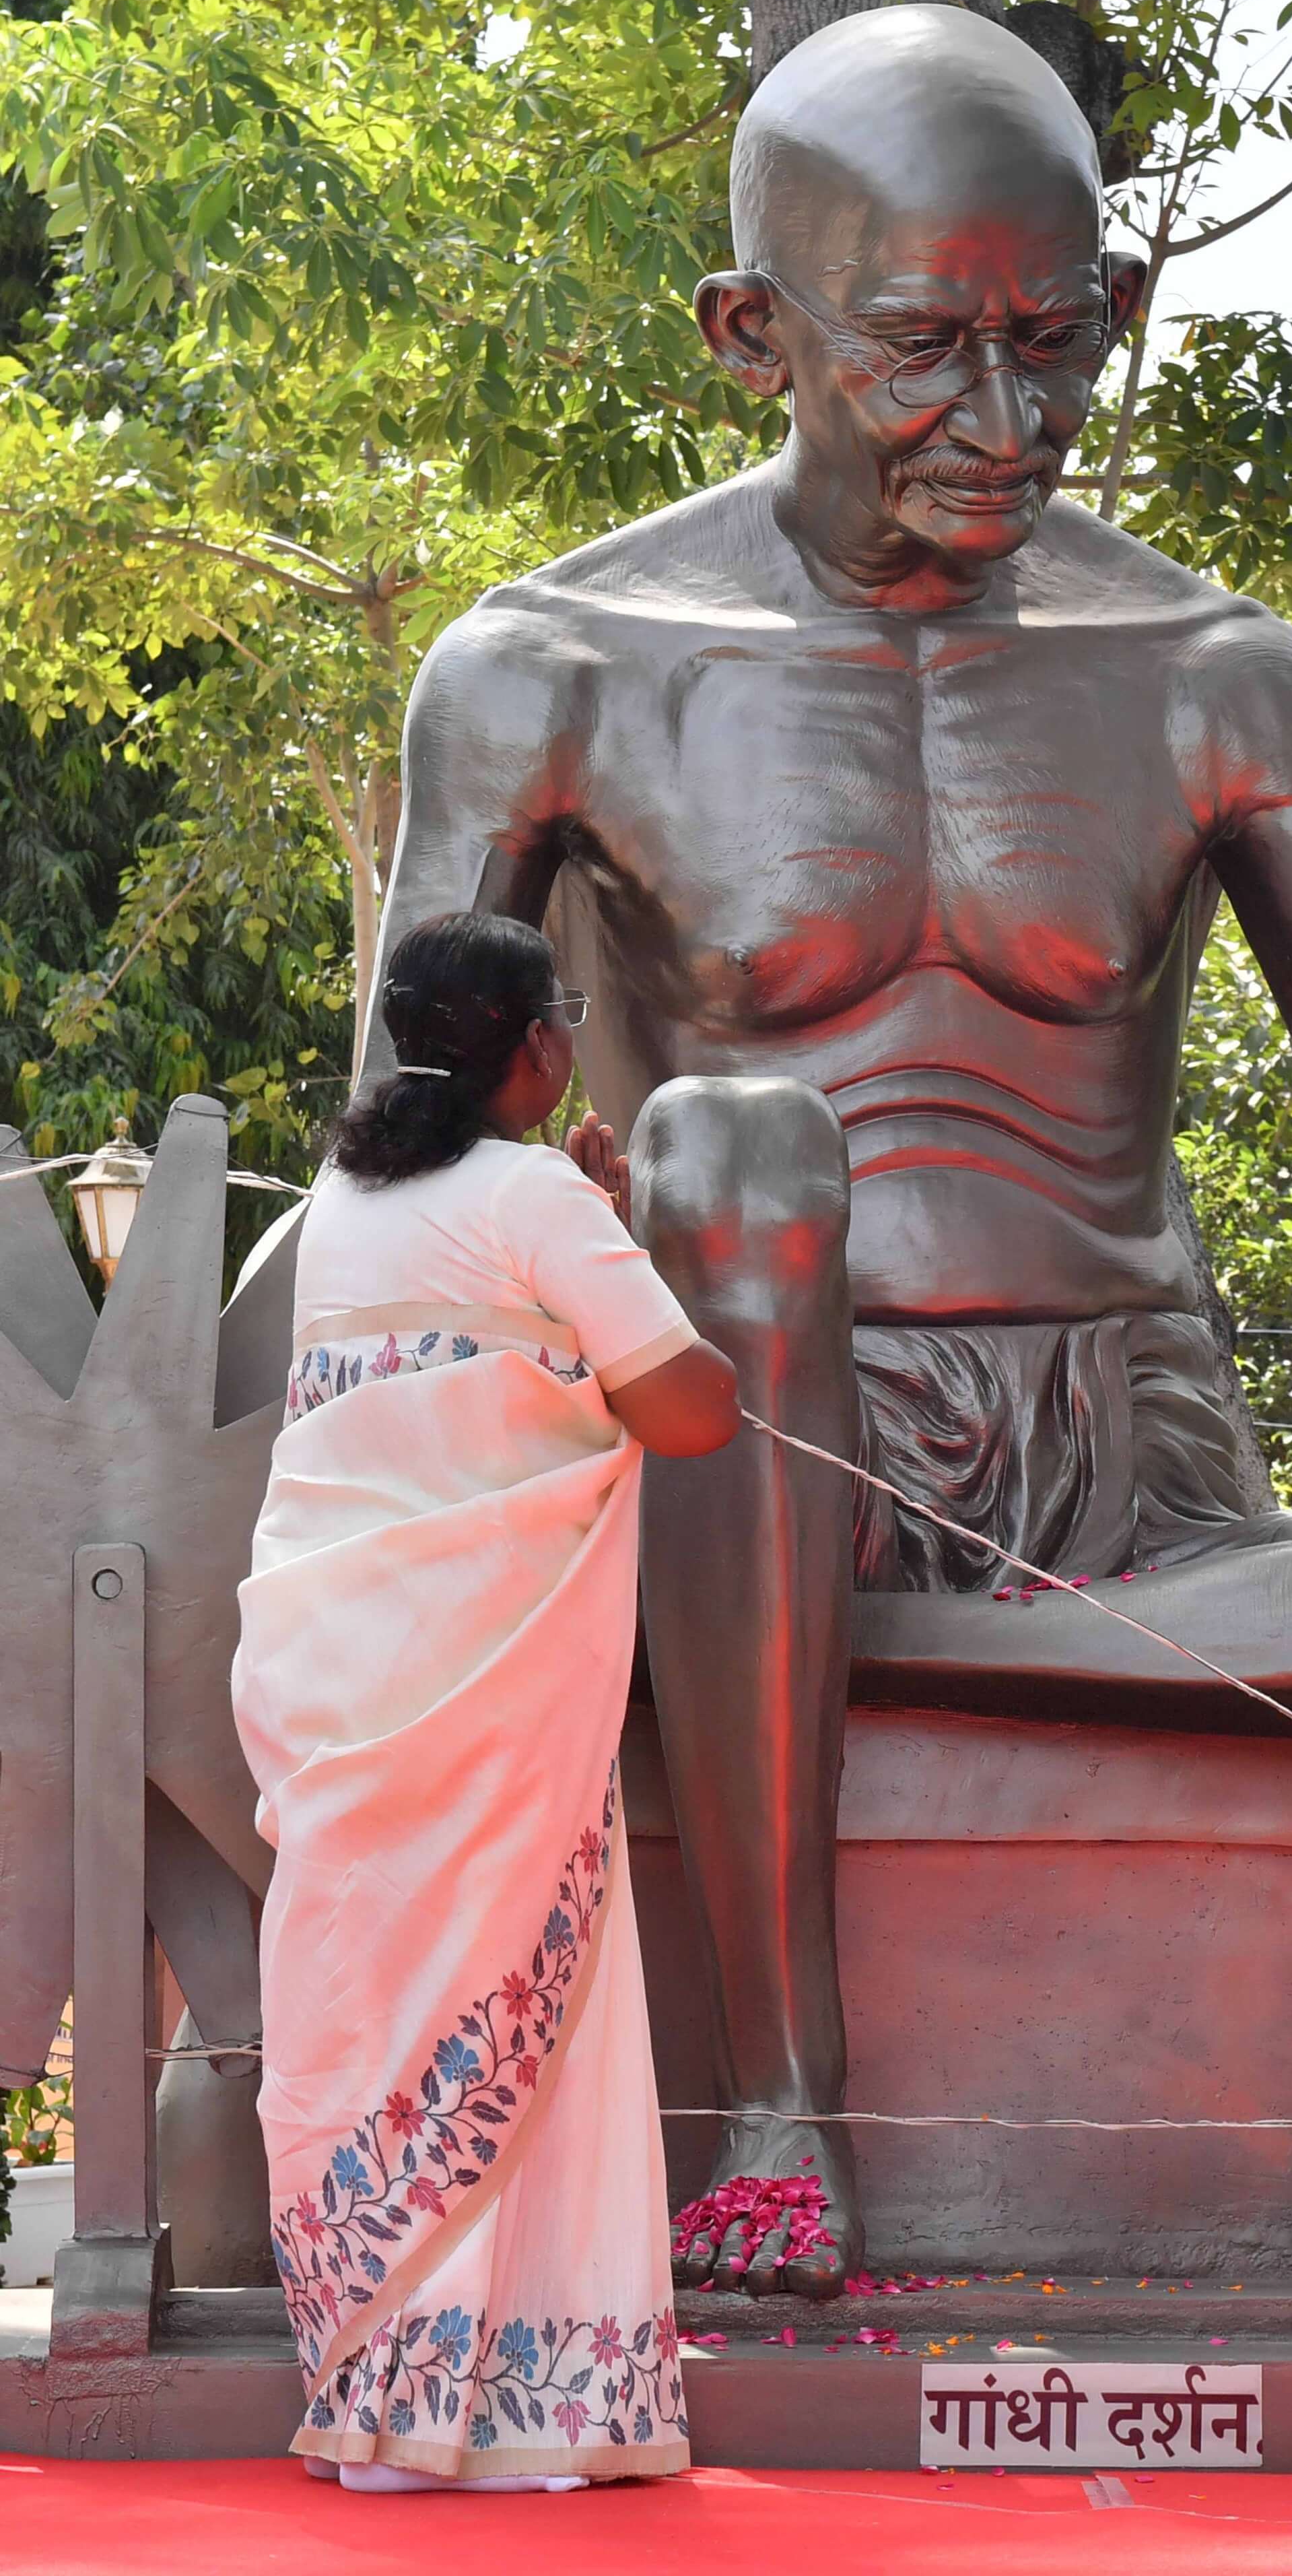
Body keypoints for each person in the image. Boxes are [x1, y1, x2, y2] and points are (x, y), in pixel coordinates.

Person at [366, 3, 1292, 2294]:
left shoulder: (1214, 674)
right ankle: (780, 2097)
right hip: (732, 1414)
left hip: (1126, 1497)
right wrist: (580, 1236)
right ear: (747, 332)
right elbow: (391, 1159)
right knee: (743, 1157)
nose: (1002, 422)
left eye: (1056, 340)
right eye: (920, 350)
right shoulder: (549, 669)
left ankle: (873, 1653)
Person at [232, 913, 739, 2492]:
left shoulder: (340, 1203)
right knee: (534, 2009)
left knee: (374, 2003)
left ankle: (382, 2394)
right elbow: (693, 1406)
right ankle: (529, 2416)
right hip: (494, 1681)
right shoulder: (533, 1195)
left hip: (341, 1668)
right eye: (564, 1018)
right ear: (529, 1044)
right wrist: (609, 1227)